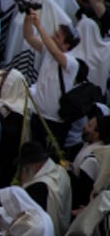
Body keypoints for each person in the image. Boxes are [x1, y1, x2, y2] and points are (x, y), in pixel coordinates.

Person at [23, 10, 79, 145]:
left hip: (54, 121)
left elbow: (54, 51)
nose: (53, 37)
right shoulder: (47, 52)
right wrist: (27, 18)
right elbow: (29, 36)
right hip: (38, 114)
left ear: (66, 46)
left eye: (57, 36)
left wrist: (39, 26)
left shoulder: (71, 62)